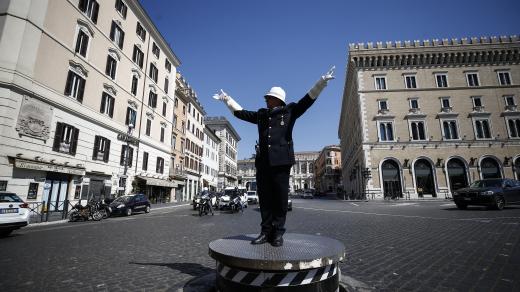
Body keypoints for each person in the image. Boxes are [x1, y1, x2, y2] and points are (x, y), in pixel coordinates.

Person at [213, 67, 335, 246]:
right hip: (263, 163)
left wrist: (321, 83)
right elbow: (242, 113)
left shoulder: (290, 111)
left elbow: (307, 100)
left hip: (282, 162)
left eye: (268, 97)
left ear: (277, 99)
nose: (265, 99)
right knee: (265, 198)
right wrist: (227, 100)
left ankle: (278, 232)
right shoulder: (262, 115)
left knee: (279, 199)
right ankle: (265, 231)